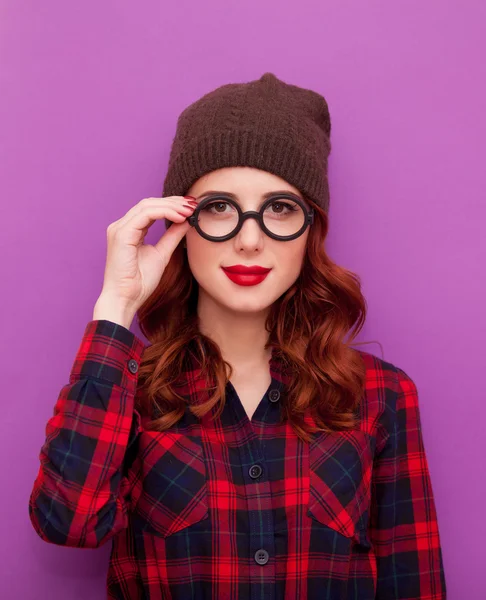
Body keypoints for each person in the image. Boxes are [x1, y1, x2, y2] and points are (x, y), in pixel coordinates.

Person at [28, 72, 447, 599]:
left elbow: (416, 584)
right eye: (218, 208)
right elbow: (67, 522)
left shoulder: (381, 396)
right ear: (180, 221)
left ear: (310, 230)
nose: (250, 240)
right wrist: (117, 307)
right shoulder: (126, 393)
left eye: (280, 209)